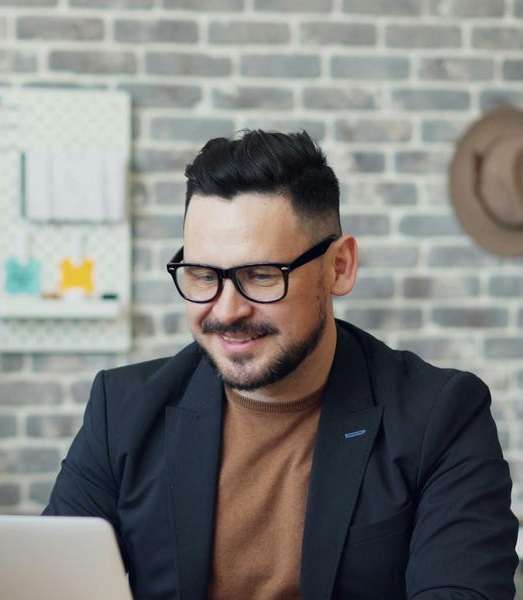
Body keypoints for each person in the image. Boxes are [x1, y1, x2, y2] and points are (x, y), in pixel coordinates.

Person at [43, 129, 519, 599]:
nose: (226, 311)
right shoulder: (121, 409)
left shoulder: (441, 416)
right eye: (204, 275)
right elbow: (50, 588)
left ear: (339, 267)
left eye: (262, 275)